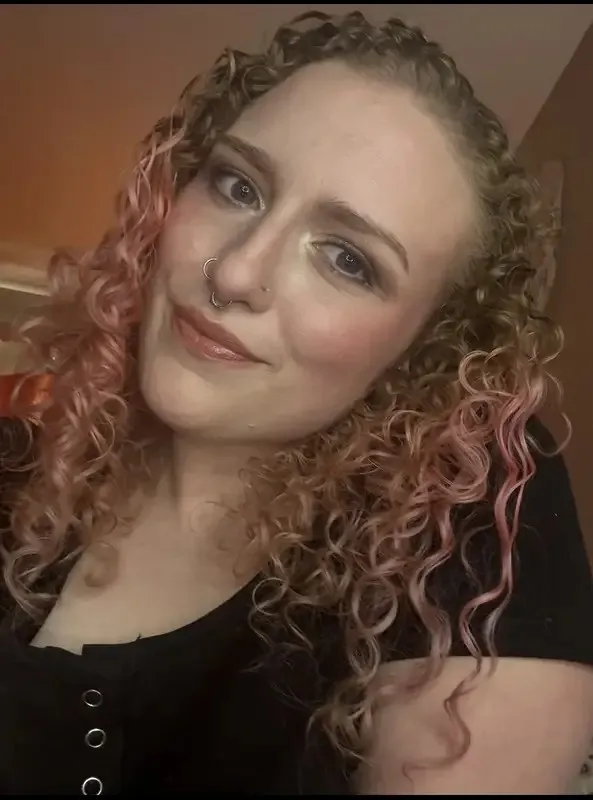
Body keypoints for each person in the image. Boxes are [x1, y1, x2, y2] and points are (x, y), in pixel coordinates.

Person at [1, 9, 592, 796]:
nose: (235, 273)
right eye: (238, 186)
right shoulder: (17, 469)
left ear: (423, 352)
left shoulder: (472, 508)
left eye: (347, 259)